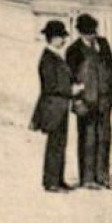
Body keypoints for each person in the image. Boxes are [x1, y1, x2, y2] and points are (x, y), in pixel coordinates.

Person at [66, 13, 112, 189]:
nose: (93, 35)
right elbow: (70, 78)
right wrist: (76, 100)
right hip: (86, 99)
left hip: (105, 97)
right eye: (89, 32)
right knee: (87, 138)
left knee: (104, 137)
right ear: (81, 33)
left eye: (94, 31)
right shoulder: (73, 50)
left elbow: (111, 63)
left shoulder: (103, 43)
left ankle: (102, 176)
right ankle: (88, 178)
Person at [29, 20, 77, 193]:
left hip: (59, 105)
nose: (64, 40)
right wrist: (71, 89)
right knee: (54, 144)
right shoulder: (48, 58)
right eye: (62, 37)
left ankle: (58, 179)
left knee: (60, 143)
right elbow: (50, 85)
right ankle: (51, 182)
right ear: (54, 38)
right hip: (53, 106)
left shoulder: (54, 55)